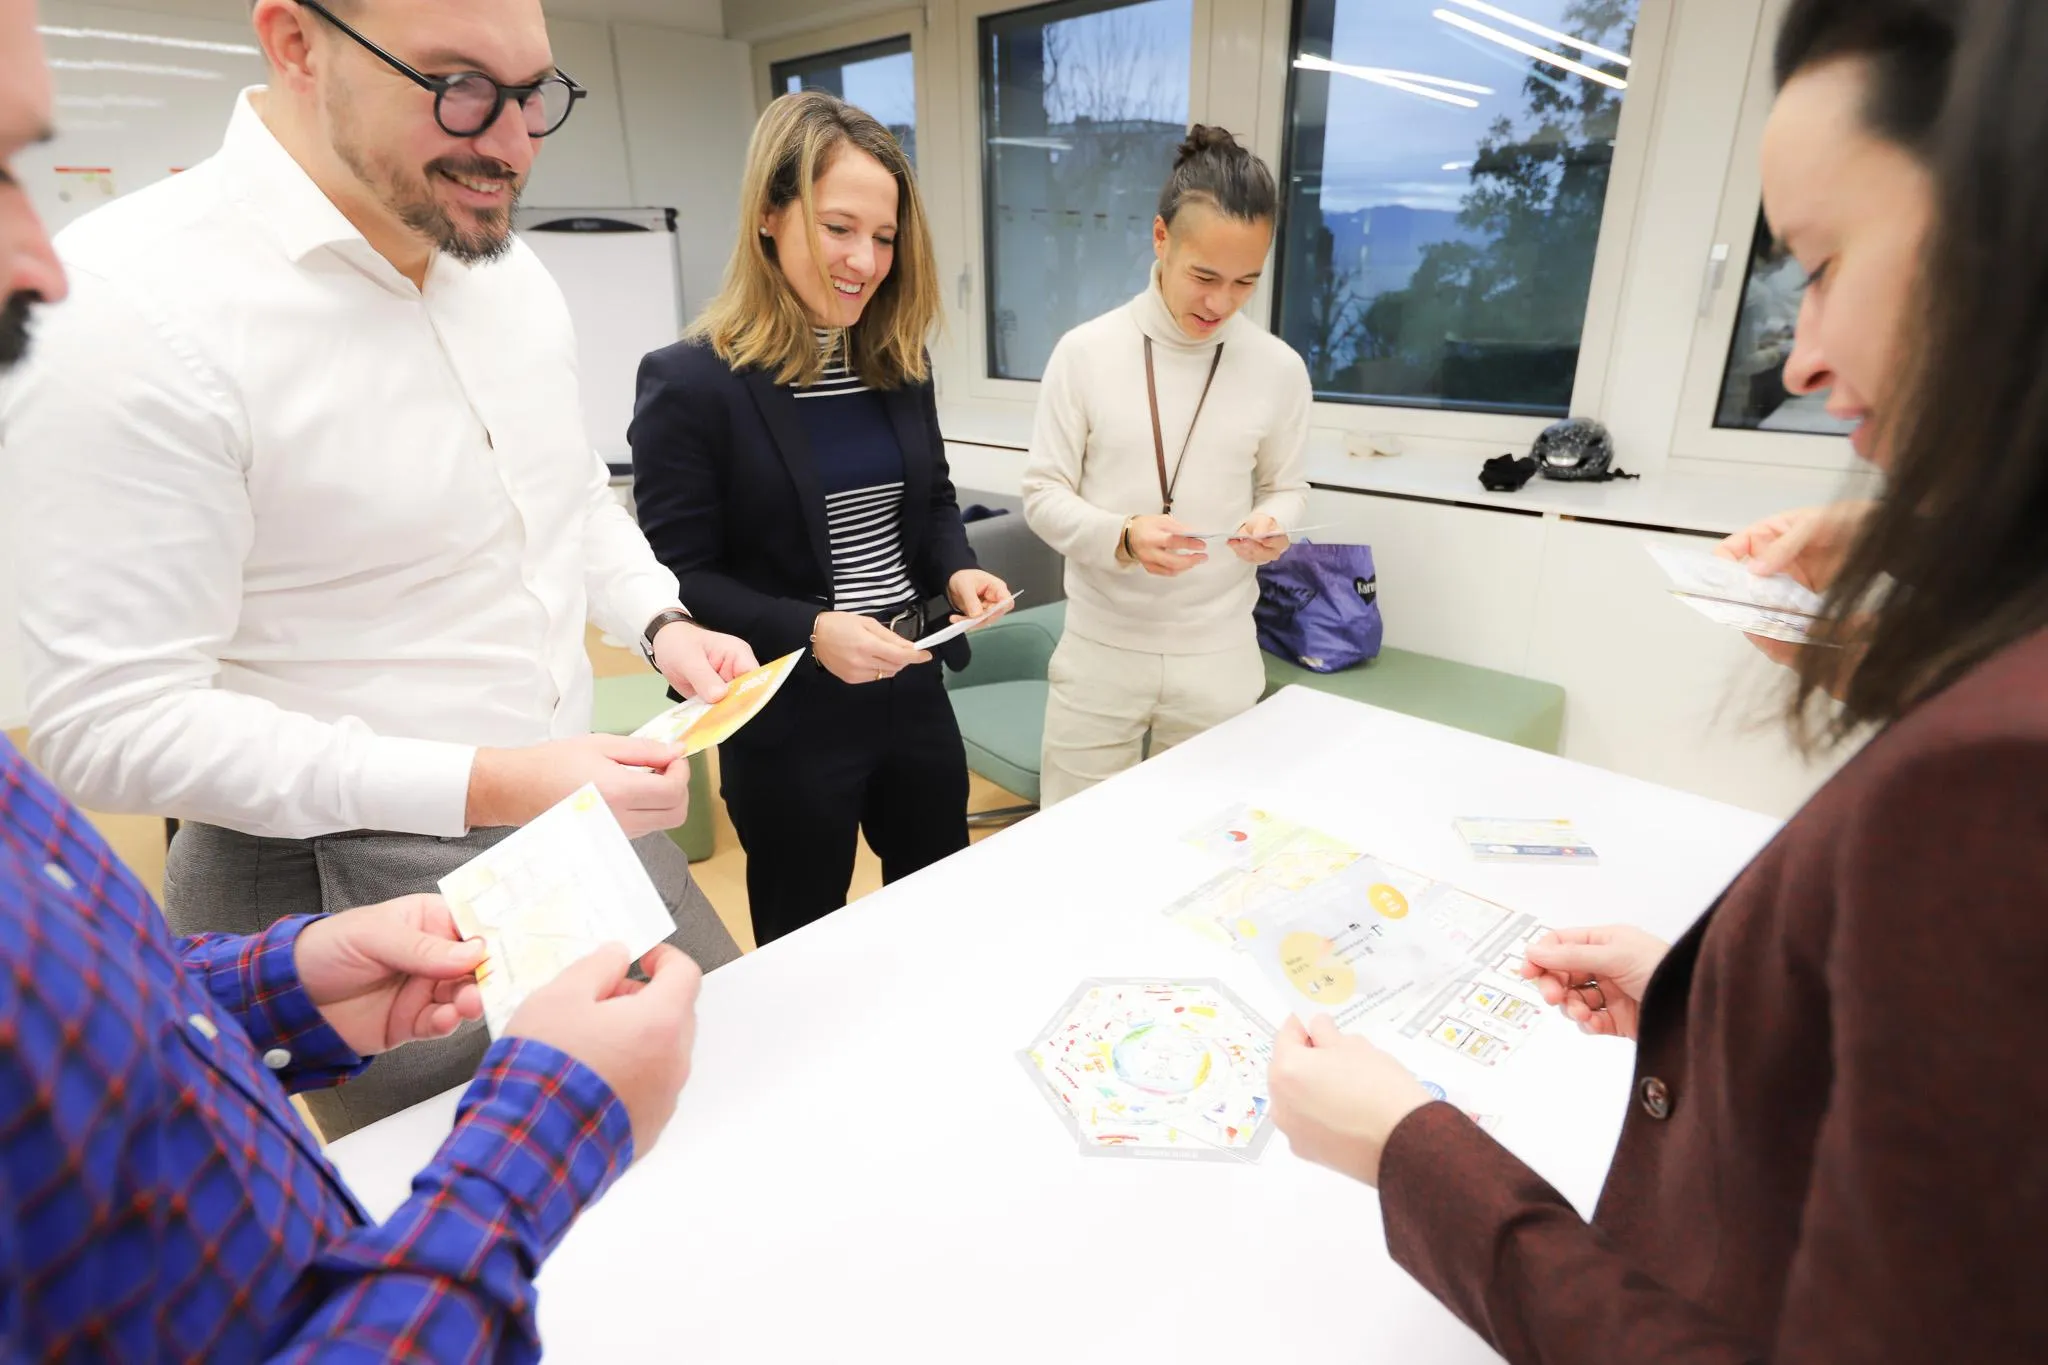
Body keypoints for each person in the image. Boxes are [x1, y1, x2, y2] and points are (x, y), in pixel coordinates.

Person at [1268, 0, 2048, 1357]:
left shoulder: (1998, 777)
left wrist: (1413, 1153)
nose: (1799, 359)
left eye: (1819, 260)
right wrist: (1733, 1012)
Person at [1, 5, 703, 1357]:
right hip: (341, 874)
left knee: (682, 1181)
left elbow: (560, 502)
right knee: (538, 1262)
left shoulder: (503, 262)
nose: (507, 143)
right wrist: (489, 778)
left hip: (573, 817)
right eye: (455, 90)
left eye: (531, 92)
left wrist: (658, 617)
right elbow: (105, 726)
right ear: (296, 41)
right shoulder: (135, 307)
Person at [629, 92, 1010, 947]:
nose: (865, 261)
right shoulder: (691, 384)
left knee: (942, 917)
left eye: (883, 238)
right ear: (770, 213)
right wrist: (812, 629)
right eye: (839, 228)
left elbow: (935, 501)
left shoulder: (898, 359)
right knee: (805, 945)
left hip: (912, 680)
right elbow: (680, 578)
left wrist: (956, 569)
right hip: (790, 712)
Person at [1022, 126, 1310, 807]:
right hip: (1100, 650)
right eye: (1204, 276)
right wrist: (1121, 535)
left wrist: (1277, 522)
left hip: (1221, 656)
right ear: (1160, 239)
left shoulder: (1278, 368)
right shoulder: (1085, 353)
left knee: (1212, 849)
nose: (1219, 302)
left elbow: (1288, 487)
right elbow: (1041, 494)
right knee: (1072, 844)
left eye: (1245, 282)